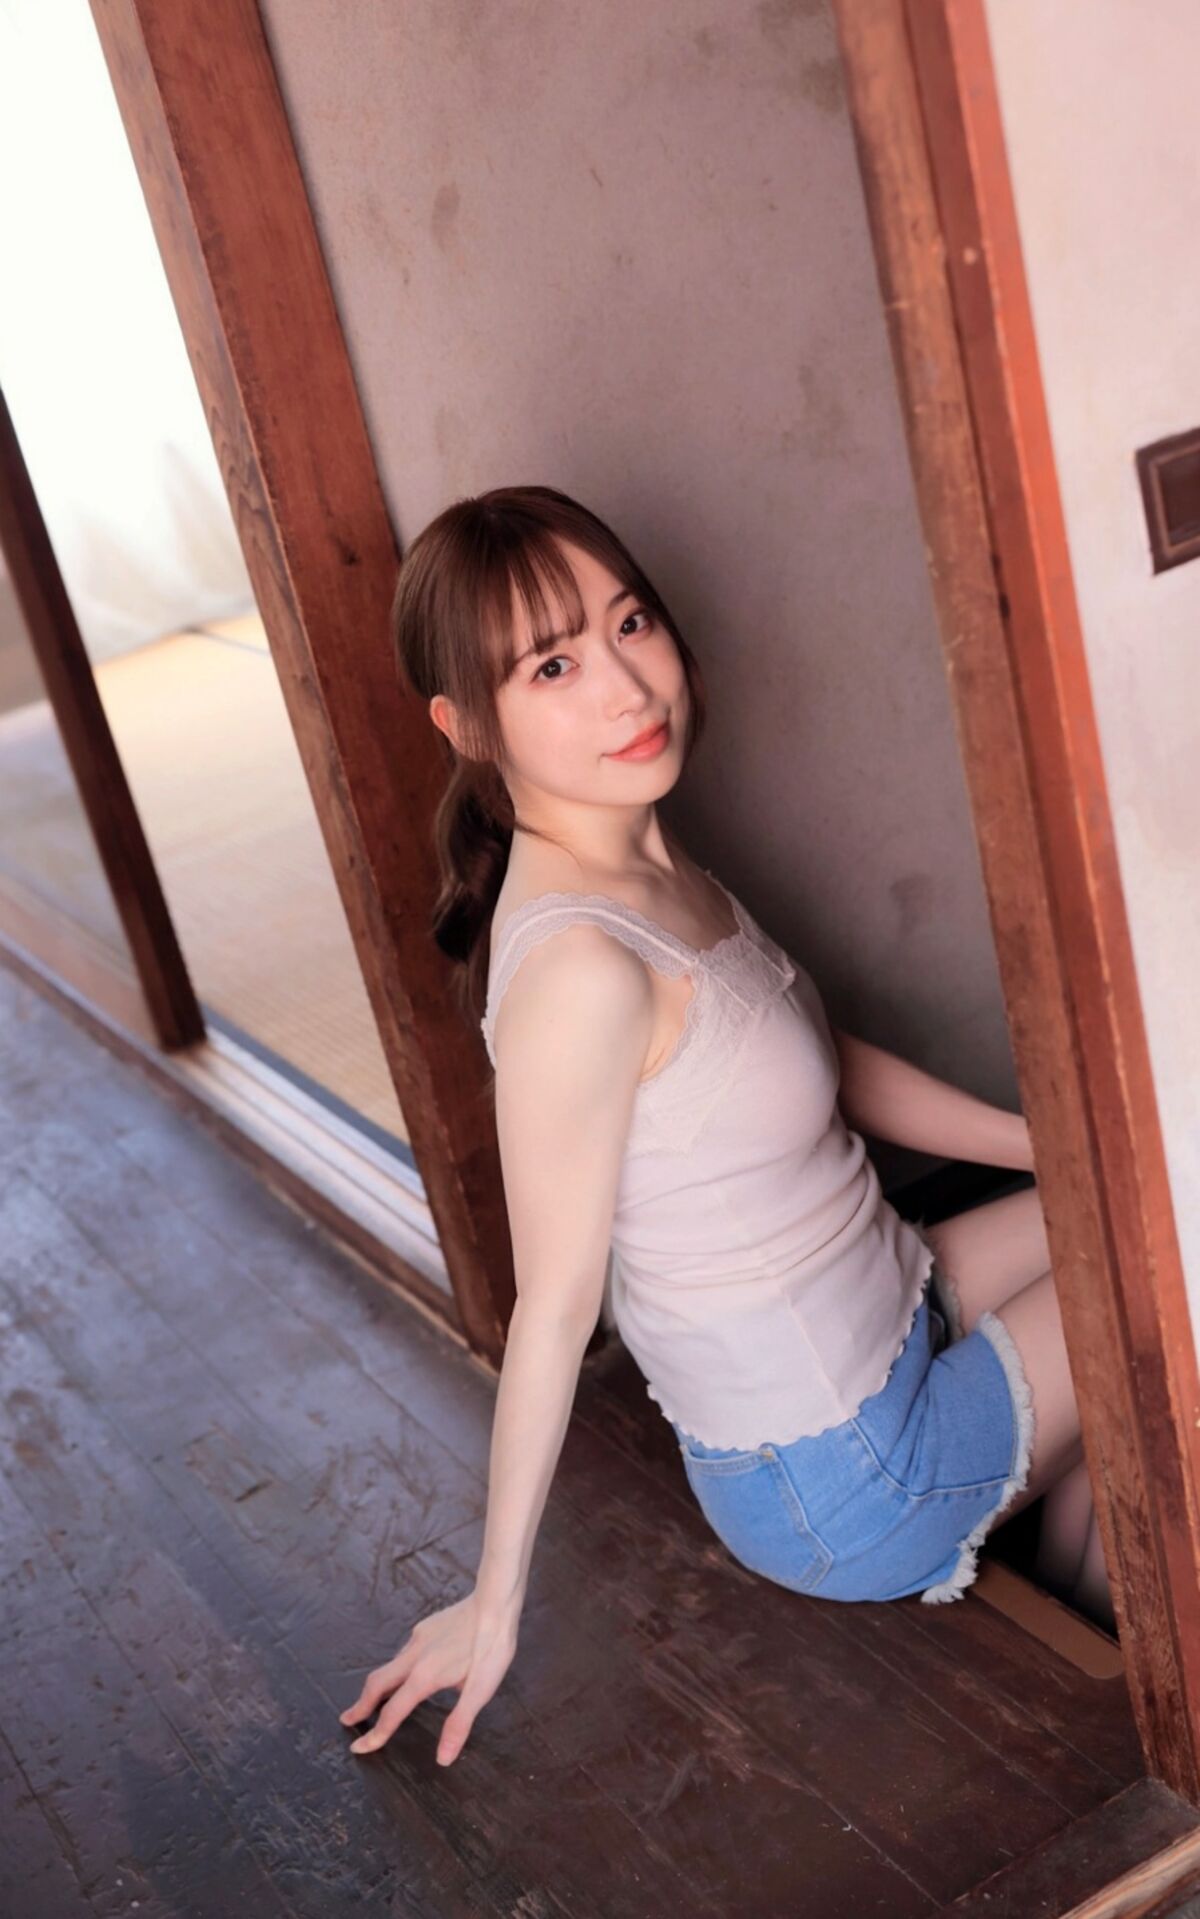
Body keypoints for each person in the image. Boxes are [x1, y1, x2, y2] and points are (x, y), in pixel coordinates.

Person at [339, 484, 1112, 1767]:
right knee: (1169, 1263)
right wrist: (493, 1598)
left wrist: (1057, 1153)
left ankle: (1102, 1594)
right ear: (466, 724)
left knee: (1145, 1205)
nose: (626, 688)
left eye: (628, 622)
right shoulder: (580, 967)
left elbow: (810, 1055)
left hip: (892, 1305)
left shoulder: (639, 852)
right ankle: (1125, 1627)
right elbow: (552, 1308)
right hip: (846, 1472)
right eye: (553, 666)